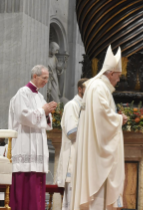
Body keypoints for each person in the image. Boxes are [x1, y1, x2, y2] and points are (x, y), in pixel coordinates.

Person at [71, 46, 128, 210]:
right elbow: (100, 117)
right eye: (118, 76)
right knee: (98, 198)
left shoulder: (99, 88)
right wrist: (119, 119)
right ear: (111, 73)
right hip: (96, 153)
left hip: (96, 147)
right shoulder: (98, 87)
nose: (118, 80)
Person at [8, 65, 57, 210]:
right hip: (25, 145)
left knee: (36, 191)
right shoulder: (23, 93)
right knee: (24, 191)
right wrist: (43, 110)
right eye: (44, 78)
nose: (46, 81)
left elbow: (46, 124)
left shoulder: (40, 96)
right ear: (35, 76)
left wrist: (47, 112)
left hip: (37, 148)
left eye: (48, 78)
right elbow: (23, 116)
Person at [56, 78, 88, 210]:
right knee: (72, 202)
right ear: (80, 89)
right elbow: (71, 132)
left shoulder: (86, 107)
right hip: (73, 158)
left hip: (83, 159)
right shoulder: (72, 106)